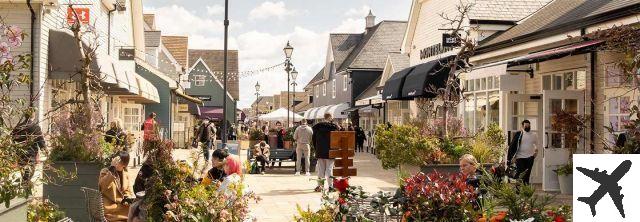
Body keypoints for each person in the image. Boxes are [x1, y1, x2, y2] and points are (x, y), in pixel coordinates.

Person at [99, 152, 134, 222]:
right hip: (110, 208)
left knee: (139, 211)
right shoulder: (105, 172)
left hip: (123, 206)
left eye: (118, 161)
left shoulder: (126, 174)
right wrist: (112, 169)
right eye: (115, 160)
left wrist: (127, 198)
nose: (115, 162)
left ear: (124, 165)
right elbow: (102, 187)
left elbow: (128, 190)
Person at [11, 113, 44, 184]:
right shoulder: (35, 127)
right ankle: (25, 184)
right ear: (33, 116)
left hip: (20, 152)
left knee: (24, 170)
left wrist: (14, 150)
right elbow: (40, 140)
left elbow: (13, 138)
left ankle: (25, 183)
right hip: (31, 153)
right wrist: (44, 149)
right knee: (29, 171)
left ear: (25, 116)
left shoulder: (18, 127)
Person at [312, 113, 339, 192]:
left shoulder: (317, 127)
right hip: (330, 151)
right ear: (330, 117)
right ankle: (330, 186)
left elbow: (314, 140)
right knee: (329, 170)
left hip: (320, 151)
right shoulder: (333, 127)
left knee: (321, 170)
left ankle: (320, 186)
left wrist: (317, 149)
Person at [507, 120, 539, 185]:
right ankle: (518, 189)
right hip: (519, 157)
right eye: (526, 125)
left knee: (527, 174)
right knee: (520, 173)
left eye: (528, 125)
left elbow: (536, 144)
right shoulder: (519, 134)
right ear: (522, 126)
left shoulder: (534, 135)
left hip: (530, 157)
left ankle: (525, 189)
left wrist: (536, 151)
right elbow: (512, 146)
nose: (527, 126)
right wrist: (512, 157)